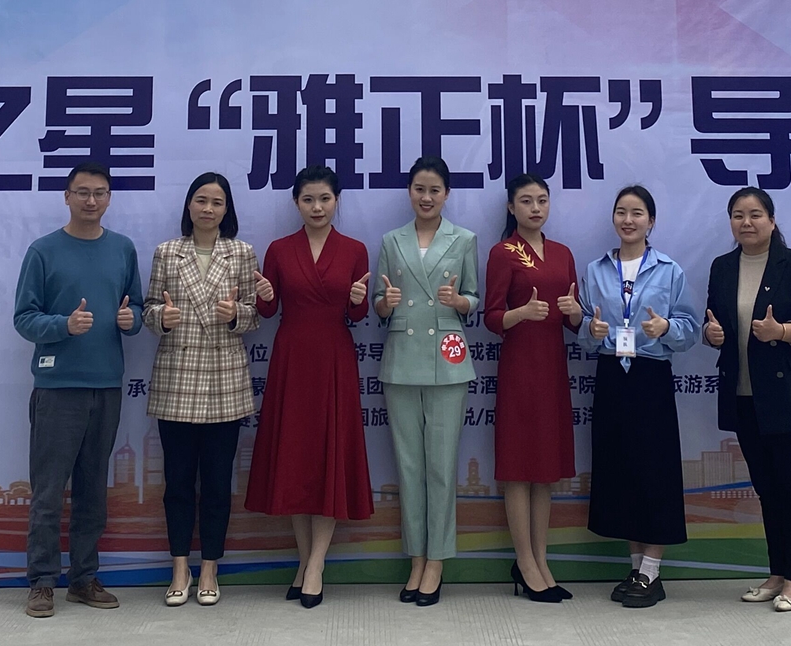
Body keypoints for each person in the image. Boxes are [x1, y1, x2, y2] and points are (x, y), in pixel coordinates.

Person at [12, 162, 144, 618]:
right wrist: (63, 326)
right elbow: (24, 317)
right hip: (58, 387)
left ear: (109, 198)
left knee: (93, 491)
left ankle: (83, 578)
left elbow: (137, 307)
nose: (91, 200)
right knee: (49, 492)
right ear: (66, 197)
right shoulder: (43, 251)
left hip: (106, 385)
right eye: (82, 192)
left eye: (100, 192)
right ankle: (42, 582)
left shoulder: (123, 249)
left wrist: (131, 320)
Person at [244, 165, 374, 608]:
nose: (317, 207)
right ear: (296, 203)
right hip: (292, 358)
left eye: (325, 199)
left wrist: (357, 302)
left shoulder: (355, 249)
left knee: (328, 458)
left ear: (337, 200)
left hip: (334, 358)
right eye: (308, 199)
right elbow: (267, 311)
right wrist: (264, 294)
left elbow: (357, 317)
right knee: (296, 461)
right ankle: (305, 561)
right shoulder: (280, 249)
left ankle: (316, 565)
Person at [701, 186, 791, 613]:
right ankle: (777, 574)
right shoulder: (723, 267)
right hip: (744, 397)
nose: (747, 222)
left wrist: (784, 332)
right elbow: (712, 322)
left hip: (789, 398)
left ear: (772, 221)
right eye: (738, 215)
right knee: (768, 491)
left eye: (755, 214)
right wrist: (710, 334)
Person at [142, 172, 264, 607]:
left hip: (223, 380)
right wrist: (161, 319)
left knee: (216, 482)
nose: (208, 209)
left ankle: (210, 567)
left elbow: (255, 314)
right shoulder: (167, 252)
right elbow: (149, 308)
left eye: (217, 202)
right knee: (177, 483)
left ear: (227, 209)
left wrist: (236, 315)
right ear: (189, 205)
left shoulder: (241, 252)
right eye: (201, 200)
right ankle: (180, 567)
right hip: (177, 377)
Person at [579, 185, 699, 608]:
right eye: (621, 212)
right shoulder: (596, 270)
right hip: (612, 375)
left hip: (650, 377)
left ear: (651, 221)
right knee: (621, 471)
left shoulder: (669, 270)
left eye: (637, 213)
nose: (628, 220)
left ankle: (652, 571)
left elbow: (690, 328)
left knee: (654, 471)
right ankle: (635, 569)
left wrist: (666, 328)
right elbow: (584, 330)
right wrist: (591, 331)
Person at [372, 156, 479, 607]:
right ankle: (416, 557)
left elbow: (474, 298)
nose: (427, 197)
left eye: (435, 189)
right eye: (419, 189)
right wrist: (385, 303)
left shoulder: (464, 239)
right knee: (409, 467)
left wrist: (460, 301)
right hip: (401, 358)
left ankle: (436, 560)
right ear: (409, 192)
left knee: (441, 466)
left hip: (446, 360)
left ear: (447, 194)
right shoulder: (390, 240)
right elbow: (379, 303)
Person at [483, 173, 582, 603]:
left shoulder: (562, 253)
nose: (536, 208)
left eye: (542, 200)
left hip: (553, 367)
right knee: (519, 469)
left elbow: (575, 322)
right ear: (511, 208)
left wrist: (575, 312)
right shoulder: (503, 252)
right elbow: (491, 317)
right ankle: (524, 562)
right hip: (520, 369)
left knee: (545, 471)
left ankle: (542, 560)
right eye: (526, 201)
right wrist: (520, 313)